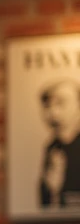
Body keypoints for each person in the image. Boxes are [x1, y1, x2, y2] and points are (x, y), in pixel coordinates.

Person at [38, 79, 80, 209]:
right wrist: (53, 190)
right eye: (48, 105)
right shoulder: (52, 148)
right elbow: (46, 203)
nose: (54, 112)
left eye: (61, 103)